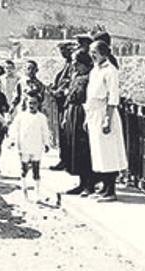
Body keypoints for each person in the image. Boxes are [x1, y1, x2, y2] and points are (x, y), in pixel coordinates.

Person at [86, 40, 127, 203]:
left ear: (104, 53)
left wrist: (107, 119)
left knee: (108, 152)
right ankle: (103, 187)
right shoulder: (95, 70)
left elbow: (112, 97)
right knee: (98, 152)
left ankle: (111, 190)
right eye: (91, 51)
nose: (92, 55)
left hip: (105, 113)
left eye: (94, 52)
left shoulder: (111, 71)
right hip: (94, 113)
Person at [61, 50, 95, 195]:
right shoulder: (75, 76)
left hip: (82, 113)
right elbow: (69, 97)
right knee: (74, 149)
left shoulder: (91, 77)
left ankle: (89, 184)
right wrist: (65, 116)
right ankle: (81, 182)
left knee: (84, 149)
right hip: (72, 113)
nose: (74, 65)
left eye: (77, 63)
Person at [9, 90, 51, 202]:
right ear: (26, 103)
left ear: (38, 104)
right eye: (30, 103)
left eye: (34, 103)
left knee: (36, 169)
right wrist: (12, 140)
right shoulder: (21, 116)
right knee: (24, 169)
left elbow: (45, 131)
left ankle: (37, 193)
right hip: (24, 146)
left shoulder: (41, 117)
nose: (32, 105)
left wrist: (46, 143)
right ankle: (24, 190)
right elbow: (14, 129)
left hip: (36, 146)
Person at [49, 42, 76, 171]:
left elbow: (68, 82)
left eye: (64, 51)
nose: (63, 54)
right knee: (62, 132)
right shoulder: (67, 64)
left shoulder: (73, 65)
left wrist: (59, 90)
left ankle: (67, 160)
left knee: (66, 132)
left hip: (66, 101)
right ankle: (64, 158)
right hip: (60, 101)